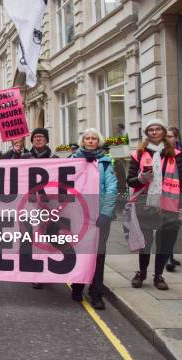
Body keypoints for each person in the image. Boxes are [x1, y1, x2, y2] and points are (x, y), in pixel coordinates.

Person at [127, 119, 182, 290]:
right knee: (144, 242)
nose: (154, 132)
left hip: (170, 205)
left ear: (162, 132)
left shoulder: (176, 155)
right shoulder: (138, 154)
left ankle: (158, 275)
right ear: (147, 133)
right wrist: (140, 179)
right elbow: (130, 181)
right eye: (150, 130)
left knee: (165, 242)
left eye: (157, 129)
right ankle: (142, 272)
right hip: (145, 204)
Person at [70, 128, 117, 310]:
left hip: (99, 217)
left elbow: (112, 190)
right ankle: (77, 286)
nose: (90, 141)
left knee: (98, 256)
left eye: (94, 138)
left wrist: (106, 213)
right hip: (79, 216)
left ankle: (96, 293)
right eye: (87, 138)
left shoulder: (105, 163)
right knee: (80, 253)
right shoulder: (73, 161)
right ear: (83, 141)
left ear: (98, 142)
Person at [27, 128, 57, 289]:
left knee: (51, 238)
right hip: (30, 204)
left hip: (50, 204)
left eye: (41, 137)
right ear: (31, 140)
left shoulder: (55, 159)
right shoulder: (24, 157)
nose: (38, 139)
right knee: (35, 238)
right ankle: (38, 272)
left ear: (46, 140)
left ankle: (49, 268)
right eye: (35, 137)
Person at [165, 127, 182, 272]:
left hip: (181, 192)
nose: (167, 139)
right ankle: (168, 256)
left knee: (176, 225)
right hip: (167, 194)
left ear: (176, 138)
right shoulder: (162, 152)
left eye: (170, 136)